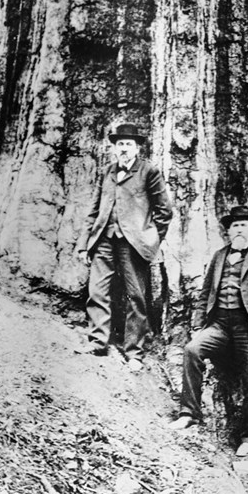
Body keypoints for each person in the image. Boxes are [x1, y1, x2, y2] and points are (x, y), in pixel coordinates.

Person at [169, 205, 248, 457]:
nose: (239, 229)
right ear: (229, 231)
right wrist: (198, 325)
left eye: (244, 225)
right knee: (191, 350)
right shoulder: (219, 256)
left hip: (247, 327)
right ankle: (189, 412)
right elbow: (205, 292)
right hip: (219, 323)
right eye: (235, 225)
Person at [75, 123, 173, 370]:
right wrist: (85, 244)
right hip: (104, 240)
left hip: (133, 244)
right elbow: (94, 210)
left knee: (136, 296)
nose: (124, 149)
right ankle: (97, 341)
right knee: (97, 290)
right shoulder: (107, 171)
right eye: (120, 144)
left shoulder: (149, 171)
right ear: (114, 148)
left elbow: (164, 211)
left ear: (138, 147)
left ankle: (134, 352)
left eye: (129, 144)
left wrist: (149, 240)